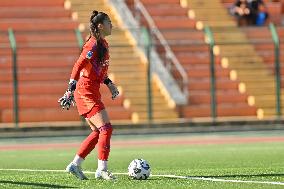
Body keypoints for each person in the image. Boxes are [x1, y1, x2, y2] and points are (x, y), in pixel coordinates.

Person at [58, 10, 119, 180]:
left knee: (98, 132)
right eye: (109, 22)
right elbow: (78, 65)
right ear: (100, 26)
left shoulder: (103, 44)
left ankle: (75, 165)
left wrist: (109, 84)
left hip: (92, 91)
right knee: (106, 128)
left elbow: (99, 72)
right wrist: (70, 87)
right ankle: (102, 169)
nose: (111, 25)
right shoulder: (92, 45)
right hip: (85, 92)